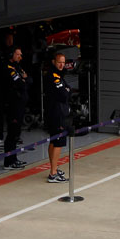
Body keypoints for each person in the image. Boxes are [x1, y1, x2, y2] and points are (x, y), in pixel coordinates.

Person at [0, 48, 30, 169]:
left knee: (16, 134)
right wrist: (24, 80)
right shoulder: (8, 68)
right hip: (13, 106)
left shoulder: (17, 67)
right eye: (18, 54)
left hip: (20, 105)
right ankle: (8, 162)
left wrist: (25, 79)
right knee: (12, 134)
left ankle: (14, 159)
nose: (20, 57)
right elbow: (21, 84)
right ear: (12, 55)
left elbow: (28, 80)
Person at [42, 53, 71, 182]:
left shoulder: (58, 75)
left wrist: (66, 89)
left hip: (53, 111)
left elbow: (67, 89)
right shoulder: (53, 76)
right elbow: (64, 94)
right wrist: (66, 90)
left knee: (53, 140)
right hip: (57, 112)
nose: (62, 65)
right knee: (58, 141)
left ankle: (54, 168)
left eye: (63, 63)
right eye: (59, 62)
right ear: (54, 61)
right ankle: (53, 173)